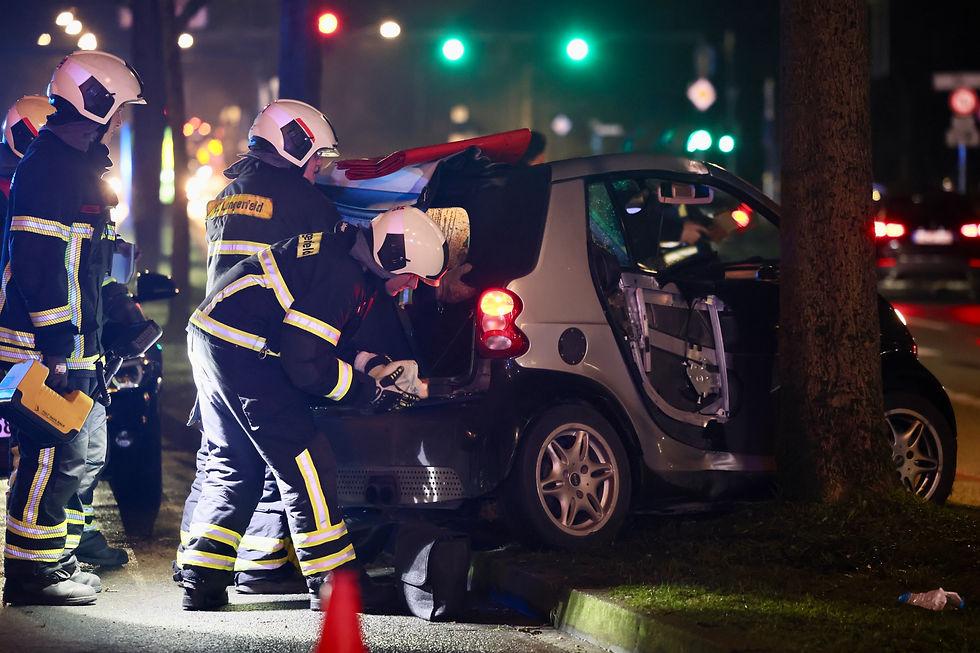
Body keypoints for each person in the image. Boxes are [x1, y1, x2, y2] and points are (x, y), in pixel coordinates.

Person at [179, 205, 446, 611]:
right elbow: (306, 364)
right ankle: (334, 584)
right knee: (308, 464)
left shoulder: (341, 254)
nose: (411, 285)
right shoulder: (344, 277)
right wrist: (368, 393)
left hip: (214, 339)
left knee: (235, 463)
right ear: (393, 258)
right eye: (412, 276)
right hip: (248, 352)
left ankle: (201, 580)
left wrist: (373, 365)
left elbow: (321, 334)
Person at [176, 99, 342, 595]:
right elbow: (324, 275)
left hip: (210, 342)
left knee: (223, 457)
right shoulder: (306, 203)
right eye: (316, 158)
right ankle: (263, 566)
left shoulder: (227, 195)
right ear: (295, 146)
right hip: (261, 347)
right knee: (280, 456)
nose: (317, 170)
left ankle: (200, 567)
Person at [0, 50, 145, 606]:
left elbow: (84, 265)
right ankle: (31, 573)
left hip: (72, 343)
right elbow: (39, 264)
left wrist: (107, 325)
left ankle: (51, 560)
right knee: (50, 456)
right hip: (45, 346)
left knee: (71, 458)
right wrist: (58, 345)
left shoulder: (70, 164)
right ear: (96, 103)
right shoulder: (51, 167)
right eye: (119, 107)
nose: (121, 119)